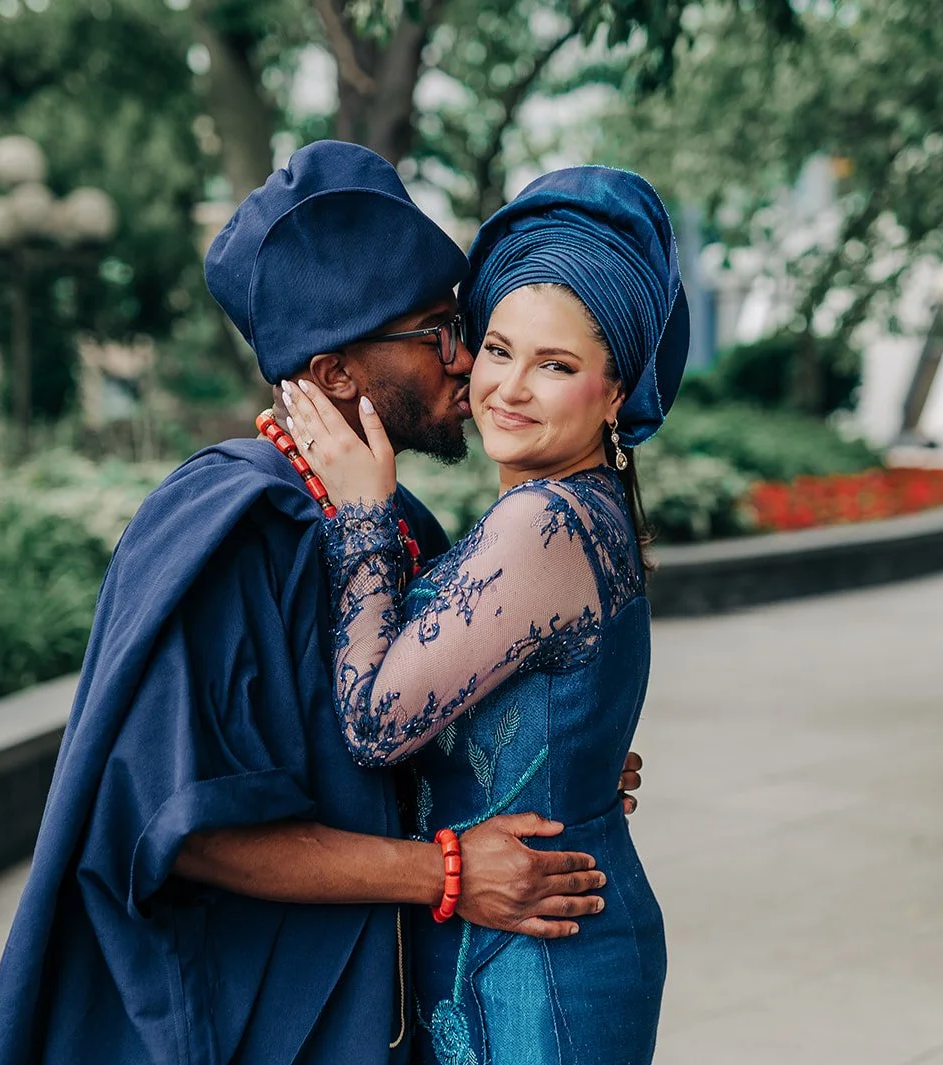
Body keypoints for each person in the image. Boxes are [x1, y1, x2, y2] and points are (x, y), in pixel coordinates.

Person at [0, 142, 644, 1065]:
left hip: (404, 1002)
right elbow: (179, 826)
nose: (469, 364)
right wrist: (444, 871)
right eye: (442, 331)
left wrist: (556, 748)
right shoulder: (237, 526)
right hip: (263, 1011)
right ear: (333, 374)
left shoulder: (392, 515)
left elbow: (437, 722)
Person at [283, 164, 686, 1065]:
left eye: (557, 365)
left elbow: (373, 722)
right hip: (513, 941)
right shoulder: (561, 507)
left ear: (615, 394)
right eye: (498, 348)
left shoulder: (544, 521)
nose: (505, 386)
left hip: (541, 972)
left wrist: (363, 515)